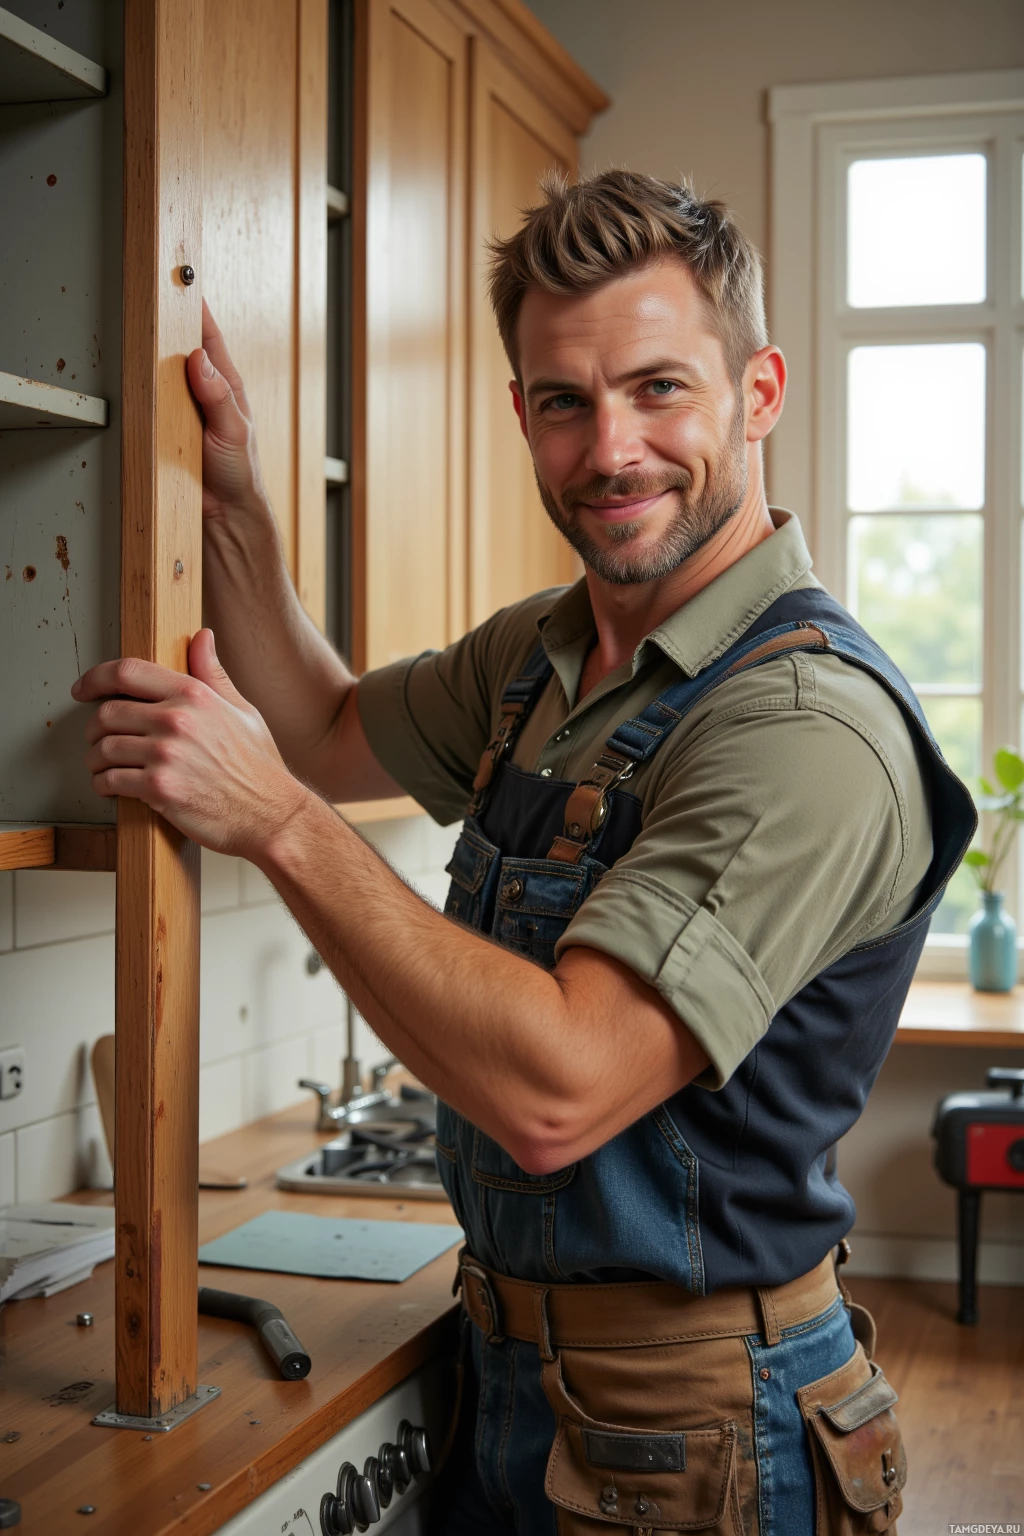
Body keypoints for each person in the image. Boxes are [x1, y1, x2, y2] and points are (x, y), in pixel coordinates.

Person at [72, 170, 974, 1534]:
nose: (611, 448)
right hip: (505, 1366)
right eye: (565, 401)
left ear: (761, 392)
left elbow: (559, 1092)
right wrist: (239, 505)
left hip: (703, 1427)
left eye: (660, 389)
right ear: (523, 415)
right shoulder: (541, 660)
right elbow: (319, 726)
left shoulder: (803, 723)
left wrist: (272, 823)